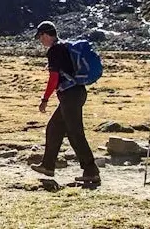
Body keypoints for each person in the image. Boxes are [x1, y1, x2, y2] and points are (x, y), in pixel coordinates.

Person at [30, 21, 100, 186]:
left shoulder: (54, 51)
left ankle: (91, 171)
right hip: (75, 94)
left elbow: (54, 78)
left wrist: (45, 99)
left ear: (46, 35)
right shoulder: (64, 47)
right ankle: (48, 165)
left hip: (71, 96)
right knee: (54, 128)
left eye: (41, 38)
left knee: (75, 133)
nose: (41, 41)